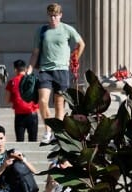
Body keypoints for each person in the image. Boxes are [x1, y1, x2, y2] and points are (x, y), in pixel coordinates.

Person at [26, 3, 85, 144]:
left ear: (60, 15)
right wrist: (29, 68)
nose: (53, 18)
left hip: (62, 70)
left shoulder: (66, 29)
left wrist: (74, 58)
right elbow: (36, 52)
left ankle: (57, 133)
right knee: (43, 101)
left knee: (59, 104)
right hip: (45, 70)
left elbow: (81, 43)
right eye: (51, 15)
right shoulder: (42, 31)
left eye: (56, 15)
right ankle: (47, 130)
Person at [6, 59, 40, 142]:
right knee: (33, 142)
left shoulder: (12, 82)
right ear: (25, 69)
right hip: (32, 114)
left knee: (19, 142)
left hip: (19, 115)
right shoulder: (33, 80)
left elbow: (6, 100)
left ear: (15, 69)